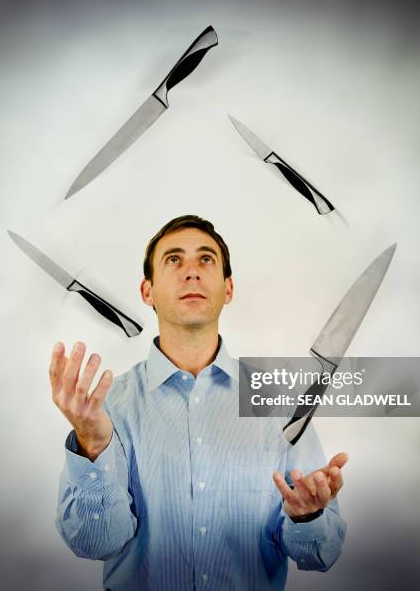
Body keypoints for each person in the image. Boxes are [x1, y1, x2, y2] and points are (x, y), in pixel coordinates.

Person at [52, 215, 347, 590]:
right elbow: (94, 544)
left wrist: (307, 517)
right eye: (174, 260)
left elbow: (320, 555)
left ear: (228, 289)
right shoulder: (106, 409)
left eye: (206, 259)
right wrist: (92, 445)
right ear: (147, 291)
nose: (191, 272)